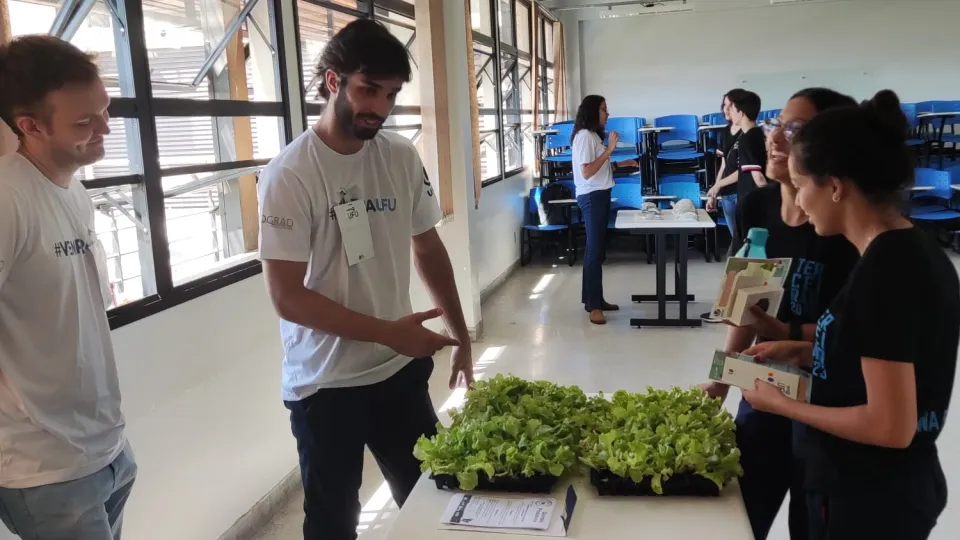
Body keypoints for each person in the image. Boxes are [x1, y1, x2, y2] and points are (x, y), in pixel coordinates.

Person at [256, 20, 473, 539]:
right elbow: (286, 297)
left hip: (396, 371)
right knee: (333, 521)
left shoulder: (399, 156)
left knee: (436, 495)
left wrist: (462, 335)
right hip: (325, 384)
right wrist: (388, 331)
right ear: (334, 82)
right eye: (368, 89)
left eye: (392, 93)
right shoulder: (291, 174)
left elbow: (429, 248)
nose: (380, 106)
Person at [743, 90, 958, 540]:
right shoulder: (911, 250)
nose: (799, 204)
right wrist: (804, 350)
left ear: (835, 186)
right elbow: (889, 358)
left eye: (802, 187)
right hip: (882, 488)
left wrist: (784, 405)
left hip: (864, 498)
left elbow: (889, 425)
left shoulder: (882, 272)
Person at [699, 88, 862, 540]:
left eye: (795, 131)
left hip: (828, 406)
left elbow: (851, 336)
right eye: (776, 125)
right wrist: (721, 381)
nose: (774, 139)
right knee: (742, 515)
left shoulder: (844, 225)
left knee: (812, 525)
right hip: (765, 392)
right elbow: (745, 310)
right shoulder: (756, 206)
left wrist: (788, 336)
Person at [0, 36, 136, 539]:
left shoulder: (71, 189)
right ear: (30, 126)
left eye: (104, 110)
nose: (105, 128)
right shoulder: (8, 200)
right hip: (43, 468)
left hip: (104, 445)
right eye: (84, 122)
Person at [571, 95, 620, 325]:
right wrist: (609, 150)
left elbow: (599, 167)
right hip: (591, 197)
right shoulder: (583, 137)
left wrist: (621, 164)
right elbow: (587, 172)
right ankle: (594, 307)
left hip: (601, 194)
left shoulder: (592, 136)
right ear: (592, 111)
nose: (607, 114)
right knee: (593, 250)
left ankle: (595, 299)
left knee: (598, 251)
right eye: (603, 109)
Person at [706, 89, 767, 237]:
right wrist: (716, 187)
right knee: (741, 239)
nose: (728, 111)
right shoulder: (749, 134)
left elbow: (758, 177)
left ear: (741, 111)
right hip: (740, 194)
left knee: (745, 242)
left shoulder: (748, 138)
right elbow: (725, 164)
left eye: (732, 107)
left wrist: (769, 198)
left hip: (749, 196)